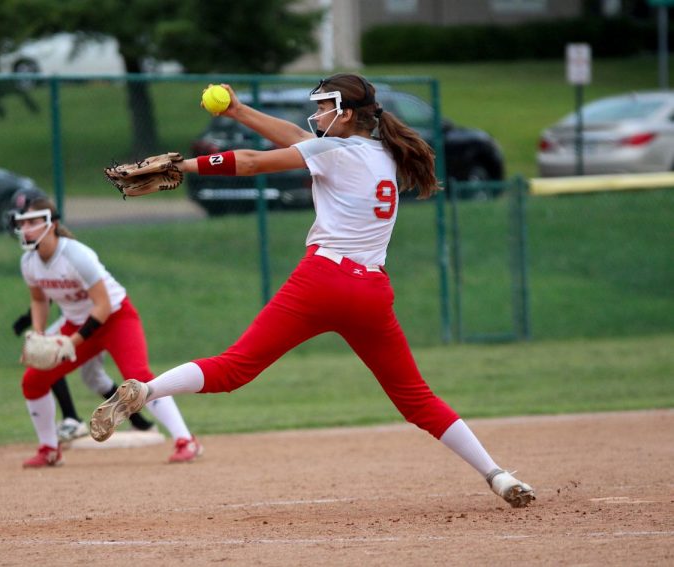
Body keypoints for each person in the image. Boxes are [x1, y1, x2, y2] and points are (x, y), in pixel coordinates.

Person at [91, 74, 535, 508]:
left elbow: (250, 162)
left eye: (325, 106)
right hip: (371, 294)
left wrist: (182, 166)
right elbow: (300, 142)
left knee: (234, 368)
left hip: (321, 282)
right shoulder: (387, 152)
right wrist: (239, 110)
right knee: (417, 400)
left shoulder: (335, 152)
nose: (317, 113)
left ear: (346, 114)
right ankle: (497, 474)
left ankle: (148, 392)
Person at [13, 196, 202, 467]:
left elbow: (102, 305)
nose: (27, 228)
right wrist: (40, 334)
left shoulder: (75, 255)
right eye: (23, 223)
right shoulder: (29, 262)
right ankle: (49, 449)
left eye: (33, 222)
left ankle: (186, 440)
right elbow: (39, 300)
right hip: (78, 323)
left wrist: (71, 342)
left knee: (139, 378)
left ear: (52, 224)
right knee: (34, 381)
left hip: (116, 318)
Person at [12, 309, 155, 441]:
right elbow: (46, 292)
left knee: (51, 357)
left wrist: (27, 318)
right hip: (78, 322)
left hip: (91, 323)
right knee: (94, 378)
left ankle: (71, 418)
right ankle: (141, 423)